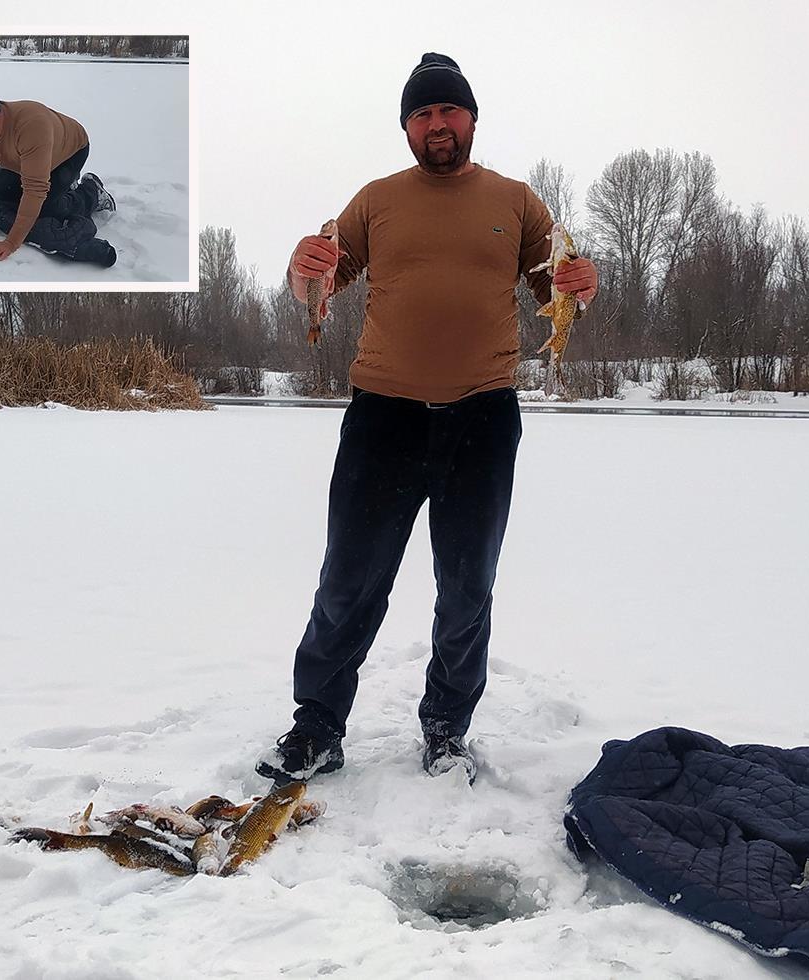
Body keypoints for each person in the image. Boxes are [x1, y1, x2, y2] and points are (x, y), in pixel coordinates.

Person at [256, 53, 599, 787]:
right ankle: (317, 726)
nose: (436, 124)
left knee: (468, 585)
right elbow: (321, 278)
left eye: (448, 111)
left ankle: (446, 731)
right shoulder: (377, 200)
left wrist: (584, 280)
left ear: (471, 118)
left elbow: (557, 281)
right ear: (407, 127)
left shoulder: (516, 200)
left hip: (483, 416)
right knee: (349, 581)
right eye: (422, 114)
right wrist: (300, 268)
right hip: (384, 417)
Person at [0, 84, 117, 268]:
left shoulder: (31, 125)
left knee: (46, 211)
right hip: (19, 160)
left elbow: (35, 190)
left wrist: (11, 243)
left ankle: (91, 192)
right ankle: (64, 186)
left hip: (66, 153)